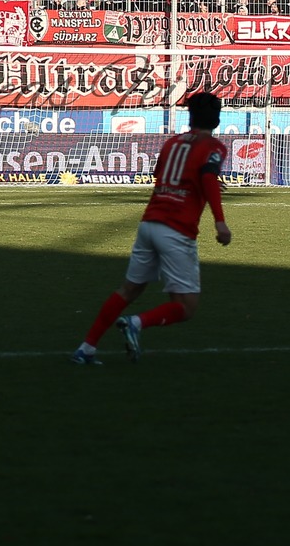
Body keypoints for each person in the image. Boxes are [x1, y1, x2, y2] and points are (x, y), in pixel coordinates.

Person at [72, 90, 232, 365]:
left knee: (128, 290)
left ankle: (86, 349)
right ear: (216, 120)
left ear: (190, 117)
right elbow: (206, 177)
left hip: (150, 223)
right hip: (177, 230)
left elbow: (161, 176)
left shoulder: (171, 144)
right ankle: (136, 323)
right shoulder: (214, 147)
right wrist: (220, 221)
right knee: (185, 306)